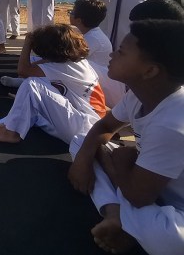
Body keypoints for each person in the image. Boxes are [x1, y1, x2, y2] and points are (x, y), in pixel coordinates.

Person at [68, 19, 184, 255]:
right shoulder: (140, 95)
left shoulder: (171, 123)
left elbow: (139, 197)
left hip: (172, 208)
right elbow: (104, 126)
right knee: (82, 140)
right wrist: (84, 158)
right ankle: (115, 214)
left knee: (167, 241)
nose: (112, 55)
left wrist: (120, 163)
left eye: (121, 52)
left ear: (149, 71)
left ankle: (124, 220)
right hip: (144, 184)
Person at [0, 24, 106, 144]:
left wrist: (27, 43)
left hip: (86, 127)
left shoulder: (65, 67)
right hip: (86, 124)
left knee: (32, 85)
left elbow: (23, 71)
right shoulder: (71, 62)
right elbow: (31, 65)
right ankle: (7, 124)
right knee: (35, 94)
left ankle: (12, 132)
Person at [69, 0, 112, 67]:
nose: (70, 14)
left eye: (72, 12)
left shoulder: (92, 38)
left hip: (97, 73)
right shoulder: (93, 34)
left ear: (79, 20)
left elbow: (71, 59)